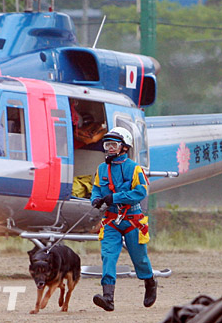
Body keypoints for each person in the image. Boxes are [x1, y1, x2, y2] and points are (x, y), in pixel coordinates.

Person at [90, 127, 157, 311]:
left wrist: (116, 197)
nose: (110, 148)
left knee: (139, 258)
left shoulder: (135, 168)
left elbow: (140, 192)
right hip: (111, 221)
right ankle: (108, 298)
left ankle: (150, 282)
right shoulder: (101, 169)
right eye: (107, 144)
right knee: (108, 256)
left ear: (124, 147)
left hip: (132, 220)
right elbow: (96, 188)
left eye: (114, 144)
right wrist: (95, 199)